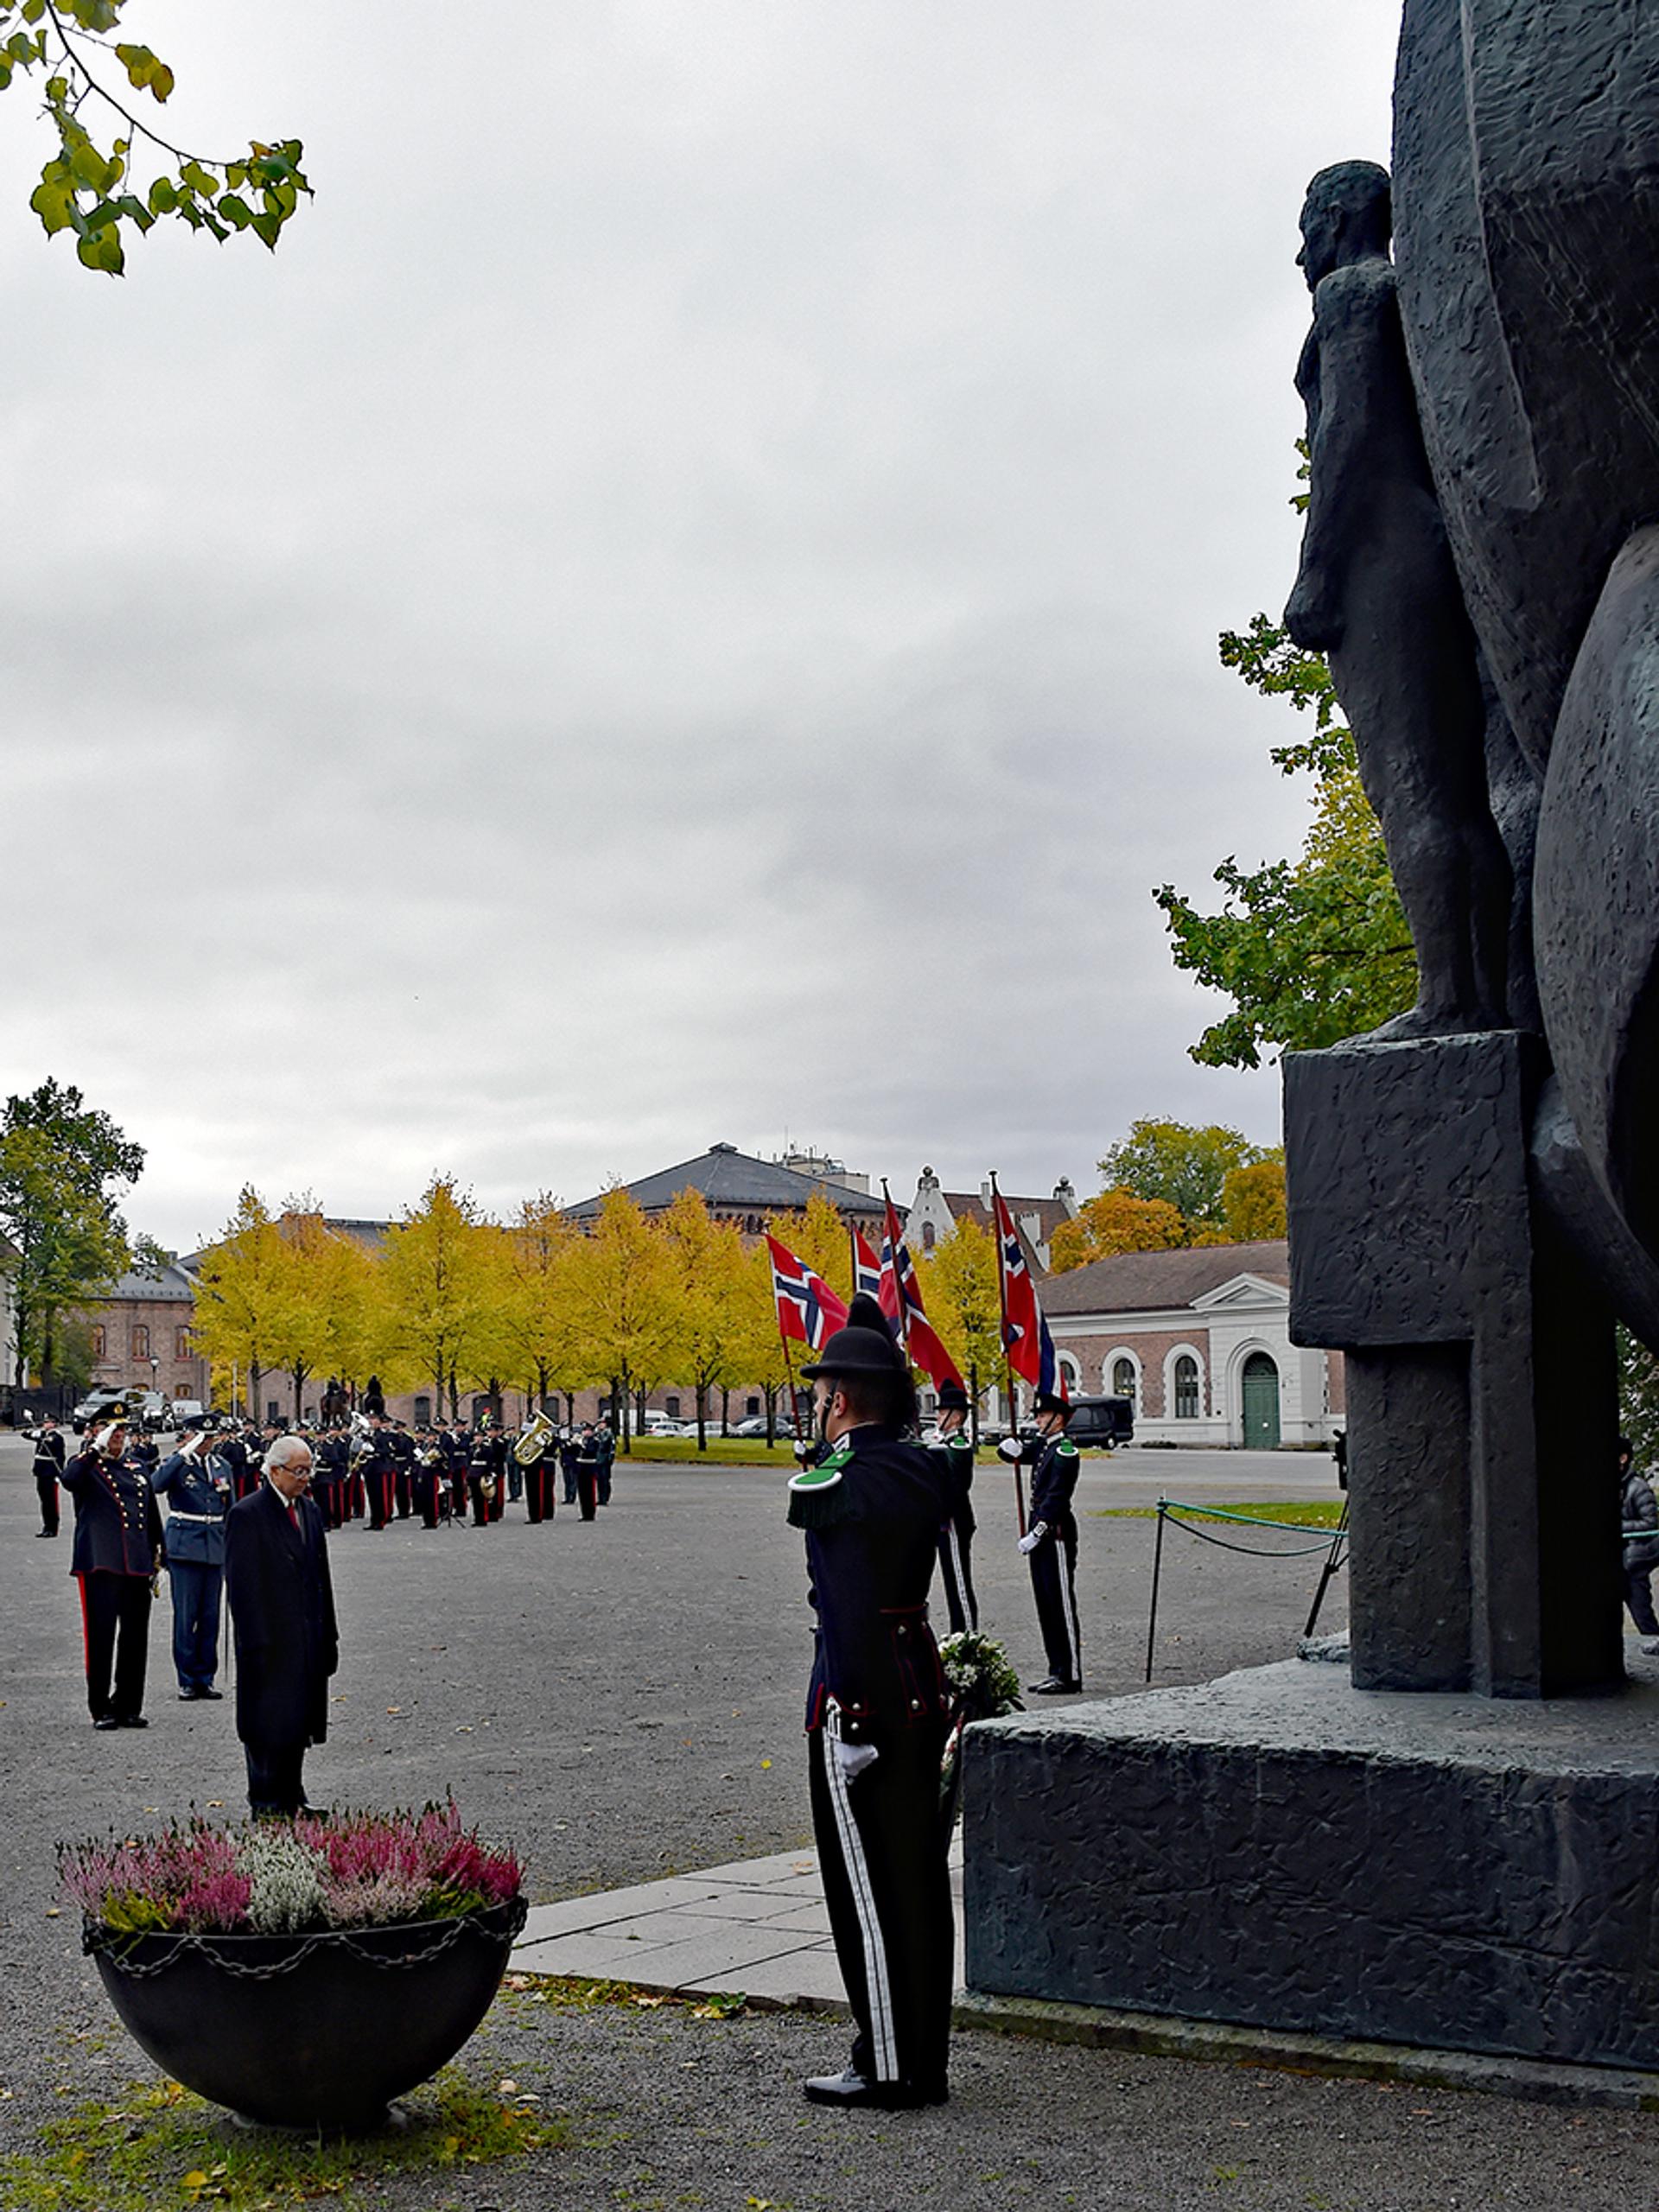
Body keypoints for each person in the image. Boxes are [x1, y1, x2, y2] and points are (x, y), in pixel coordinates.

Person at [1286, 158, 1512, 1038]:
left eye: (1307, 225)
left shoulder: (1350, 295)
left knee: (1409, 784)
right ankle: (1483, 998)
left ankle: (1448, 1000)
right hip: (1429, 541)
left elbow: (1349, 430)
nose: (1300, 250)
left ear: (1342, 216)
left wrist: (1316, 566)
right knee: (1458, 791)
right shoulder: (1410, 292)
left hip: (1380, 550)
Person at [791, 1293, 954, 2110]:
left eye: (822, 1395)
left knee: (867, 1888)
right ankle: (925, 2057)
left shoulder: (842, 1481)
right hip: (918, 1683)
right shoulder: (922, 1467)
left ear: (842, 1400)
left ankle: (887, 2062)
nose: (816, 1407)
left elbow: (850, 1605)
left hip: (861, 1699)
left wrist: (850, 1717)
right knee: (916, 1880)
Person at [224, 1433, 339, 1817]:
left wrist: (329, 1636)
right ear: (274, 1471)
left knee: (298, 1721)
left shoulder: (309, 1511)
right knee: (267, 1723)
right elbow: (243, 1589)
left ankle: (293, 1795)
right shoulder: (248, 1514)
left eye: (309, 1470)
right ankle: (267, 1800)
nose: (305, 1478)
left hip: (307, 1636)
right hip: (269, 1639)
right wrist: (255, 1644)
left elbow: (321, 1578)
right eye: (298, 1471)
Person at [59, 1404, 163, 1730]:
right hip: (101, 1562)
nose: (117, 1435)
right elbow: (69, 1480)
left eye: (121, 1430)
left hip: (137, 1562)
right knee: (100, 1637)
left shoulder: (136, 1466)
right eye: (110, 1429)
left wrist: (159, 1552)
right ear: (95, 1431)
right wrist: (96, 1447)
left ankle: (129, 1704)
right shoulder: (86, 1465)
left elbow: (150, 1512)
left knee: (135, 1637)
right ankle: (101, 1707)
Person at [999, 1390, 1083, 1693]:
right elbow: (1015, 1454)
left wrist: (1038, 1531)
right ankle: (1056, 1668)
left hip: (1054, 1532)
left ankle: (1070, 1674)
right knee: (1045, 1603)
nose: (1037, 1420)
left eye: (1043, 1415)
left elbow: (1057, 1497)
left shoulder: (1065, 1452)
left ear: (1058, 1419)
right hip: (1040, 1531)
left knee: (1060, 1602)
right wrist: (1006, 1447)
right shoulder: (1045, 1447)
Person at [151, 1423, 232, 1700]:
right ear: (188, 1437)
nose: (206, 1442)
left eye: (210, 1437)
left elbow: (229, 1507)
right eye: (200, 1437)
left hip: (214, 1547)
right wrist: (181, 1454)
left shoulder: (221, 1465)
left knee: (210, 1617)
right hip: (185, 1547)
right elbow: (156, 1485)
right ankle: (186, 1679)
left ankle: (205, 1678)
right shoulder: (177, 1464)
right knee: (186, 1617)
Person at [930, 1381, 978, 1633]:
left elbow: (956, 1487)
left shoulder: (958, 1445)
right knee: (951, 1583)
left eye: (942, 1412)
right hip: (945, 1521)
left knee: (959, 1583)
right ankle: (958, 1633)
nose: (938, 1416)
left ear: (956, 1417)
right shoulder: (946, 1444)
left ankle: (967, 1637)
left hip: (954, 1521)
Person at [1619, 1436, 1659, 1654]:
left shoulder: (1638, 1488)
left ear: (1623, 1458)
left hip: (1635, 1559)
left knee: (1640, 1607)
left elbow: (1650, 1523)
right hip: (1625, 1559)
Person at [31, 1414, 66, 1538]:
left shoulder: (57, 1437)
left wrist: (59, 1473)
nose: (45, 1424)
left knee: (51, 1502)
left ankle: (52, 1528)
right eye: (45, 1422)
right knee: (44, 1502)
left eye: (48, 1422)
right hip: (41, 1472)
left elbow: (60, 1457)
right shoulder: (42, 1435)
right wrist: (35, 1434)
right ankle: (46, 1526)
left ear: (54, 1424)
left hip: (50, 1473)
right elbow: (25, 1435)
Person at [594, 1418, 616, 1507]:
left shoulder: (608, 1434)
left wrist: (610, 1459)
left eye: (602, 1423)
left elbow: (611, 1448)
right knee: (599, 1480)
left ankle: (605, 1498)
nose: (600, 1425)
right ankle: (600, 1498)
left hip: (605, 1459)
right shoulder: (597, 1434)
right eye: (599, 1424)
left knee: (605, 1480)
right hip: (598, 1459)